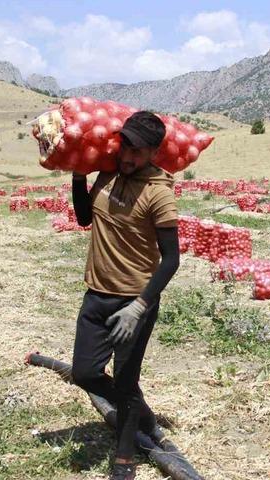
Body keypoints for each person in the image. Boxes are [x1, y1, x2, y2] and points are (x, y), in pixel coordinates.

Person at [70, 111, 180, 480]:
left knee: (126, 379)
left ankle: (125, 458)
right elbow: (85, 219)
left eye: (138, 151)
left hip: (133, 301)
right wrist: (77, 176)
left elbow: (171, 260)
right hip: (96, 295)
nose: (128, 157)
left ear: (153, 153)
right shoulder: (107, 174)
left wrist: (139, 307)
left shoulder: (159, 193)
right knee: (84, 373)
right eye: (125, 147)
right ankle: (142, 414)